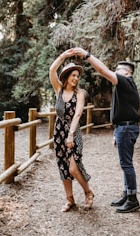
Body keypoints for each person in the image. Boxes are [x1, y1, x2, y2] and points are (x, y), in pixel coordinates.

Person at [71, 47, 140, 213]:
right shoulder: (123, 87)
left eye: (117, 71)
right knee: (125, 164)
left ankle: (133, 199)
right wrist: (116, 131)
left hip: (126, 128)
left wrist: (87, 55)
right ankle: (127, 194)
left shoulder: (126, 81)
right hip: (123, 128)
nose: (114, 73)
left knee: (126, 164)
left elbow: (102, 70)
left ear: (126, 73)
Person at [49, 49, 94, 212]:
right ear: (67, 77)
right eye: (73, 75)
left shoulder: (80, 94)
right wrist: (64, 56)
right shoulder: (59, 90)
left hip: (73, 133)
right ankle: (70, 200)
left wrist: (71, 135)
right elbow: (52, 70)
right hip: (58, 132)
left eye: (77, 76)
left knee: (73, 168)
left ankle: (88, 193)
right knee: (63, 166)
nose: (76, 78)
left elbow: (78, 114)